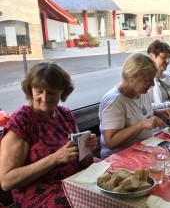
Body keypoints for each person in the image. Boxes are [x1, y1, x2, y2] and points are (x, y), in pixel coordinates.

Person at [0, 62, 98, 207]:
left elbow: (85, 161)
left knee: (112, 187)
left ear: (62, 92)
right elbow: (7, 182)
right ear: (30, 90)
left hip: (73, 181)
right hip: (39, 195)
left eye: (51, 92)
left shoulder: (65, 115)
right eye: (39, 91)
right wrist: (54, 159)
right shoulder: (22, 120)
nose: (45, 98)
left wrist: (87, 148)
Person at [99, 53, 170, 159]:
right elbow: (111, 142)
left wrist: (159, 112)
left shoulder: (141, 92)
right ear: (131, 77)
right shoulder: (114, 102)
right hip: (121, 159)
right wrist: (141, 125)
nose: (152, 84)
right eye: (148, 80)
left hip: (144, 150)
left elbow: (138, 112)